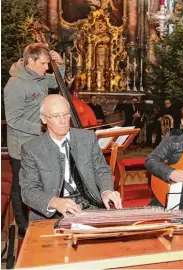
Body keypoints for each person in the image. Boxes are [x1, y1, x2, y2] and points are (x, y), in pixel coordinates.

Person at [19, 95, 122, 221]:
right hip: (53, 214)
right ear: (44, 119)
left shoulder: (87, 138)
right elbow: (28, 190)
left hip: (91, 205)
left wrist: (106, 191)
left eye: (66, 114)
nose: (63, 120)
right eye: (56, 116)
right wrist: (55, 202)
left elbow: (101, 170)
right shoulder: (31, 149)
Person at [4, 43, 64, 237]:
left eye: (48, 63)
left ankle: (44, 220)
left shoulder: (40, 78)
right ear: (30, 61)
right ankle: (22, 227)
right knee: (21, 185)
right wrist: (43, 128)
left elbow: (56, 82)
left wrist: (60, 63)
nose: (47, 68)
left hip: (40, 141)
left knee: (45, 180)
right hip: (22, 143)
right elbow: (13, 120)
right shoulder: (15, 84)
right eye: (44, 63)